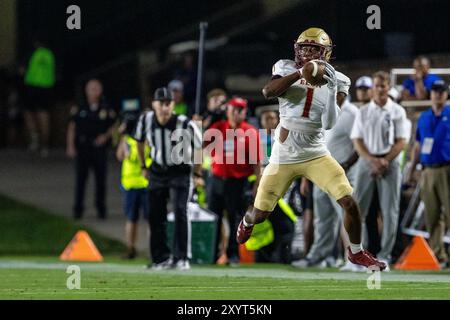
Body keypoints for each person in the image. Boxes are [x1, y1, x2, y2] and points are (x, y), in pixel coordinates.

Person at [236, 27, 386, 271]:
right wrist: (299, 74)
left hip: (316, 153)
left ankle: (357, 252)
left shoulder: (340, 80)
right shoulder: (284, 67)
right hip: (283, 155)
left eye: (313, 49)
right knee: (261, 213)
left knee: (349, 202)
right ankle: (247, 220)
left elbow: (328, 123)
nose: (306, 53)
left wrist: (328, 87)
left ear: (324, 53)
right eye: (303, 47)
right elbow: (268, 92)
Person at [134, 87, 203, 270]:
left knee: (180, 211)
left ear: (173, 104)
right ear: (153, 104)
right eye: (161, 103)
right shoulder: (146, 120)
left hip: (180, 171)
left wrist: (196, 173)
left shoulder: (184, 122)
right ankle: (160, 258)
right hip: (157, 171)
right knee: (155, 215)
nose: (164, 107)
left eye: (168, 103)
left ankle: (181, 257)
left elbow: (199, 147)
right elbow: (138, 141)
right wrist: (143, 165)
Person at [292, 93, 363, 271]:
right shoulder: (323, 110)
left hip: (342, 174)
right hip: (321, 172)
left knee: (346, 216)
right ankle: (319, 257)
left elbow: (360, 144)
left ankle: (356, 259)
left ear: (344, 93)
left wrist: (345, 165)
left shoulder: (352, 113)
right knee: (322, 219)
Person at [351, 71, 410, 270]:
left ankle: (385, 256)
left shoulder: (397, 111)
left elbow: (402, 141)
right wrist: (371, 160)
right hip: (366, 160)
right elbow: (357, 140)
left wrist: (384, 160)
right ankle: (360, 254)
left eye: (384, 85)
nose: (380, 89)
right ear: (373, 88)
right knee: (357, 210)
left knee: (390, 212)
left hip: (389, 163)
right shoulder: (364, 111)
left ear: (389, 87)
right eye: (377, 85)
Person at [204, 97, 262, 265]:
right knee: (214, 217)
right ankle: (212, 254)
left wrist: (258, 184)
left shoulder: (250, 131)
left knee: (234, 218)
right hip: (216, 180)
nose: (237, 113)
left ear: (244, 112)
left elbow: (256, 161)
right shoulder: (218, 128)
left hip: (237, 181)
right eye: (234, 109)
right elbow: (201, 142)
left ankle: (233, 254)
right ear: (228, 111)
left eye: (240, 110)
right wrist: (209, 121)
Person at [406, 79, 450, 267]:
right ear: (430, 94)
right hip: (427, 170)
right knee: (432, 215)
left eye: (441, 91)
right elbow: (418, 145)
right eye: (435, 91)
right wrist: (412, 168)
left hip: (447, 169)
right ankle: (439, 256)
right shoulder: (423, 117)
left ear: (446, 94)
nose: (438, 94)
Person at [246, 106, 296, 264]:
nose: (270, 121)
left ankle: (280, 257)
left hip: (281, 186)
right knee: (267, 225)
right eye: (266, 118)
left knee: (282, 224)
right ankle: (266, 258)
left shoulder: (284, 139)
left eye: (273, 118)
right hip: (260, 187)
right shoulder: (256, 140)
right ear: (260, 121)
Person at [66, 79, 116, 220]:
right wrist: (70, 146)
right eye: (91, 88)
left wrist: (105, 137)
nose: (93, 91)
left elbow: (114, 125)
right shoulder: (79, 107)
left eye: (96, 88)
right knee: (80, 180)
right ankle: (78, 210)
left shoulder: (105, 108)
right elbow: (72, 127)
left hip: (98, 148)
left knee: (101, 180)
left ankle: (101, 209)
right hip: (83, 148)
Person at [116, 102, 152, 259]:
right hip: (131, 183)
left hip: (147, 182)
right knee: (131, 218)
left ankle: (153, 250)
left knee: (151, 219)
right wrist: (123, 136)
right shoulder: (130, 138)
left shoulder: (152, 137)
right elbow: (120, 155)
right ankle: (130, 248)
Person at [22, 38, 56, 157]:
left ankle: (35, 138)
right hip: (47, 87)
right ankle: (45, 145)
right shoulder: (51, 54)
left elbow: (22, 70)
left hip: (33, 86)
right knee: (44, 115)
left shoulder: (33, 53)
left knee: (28, 113)